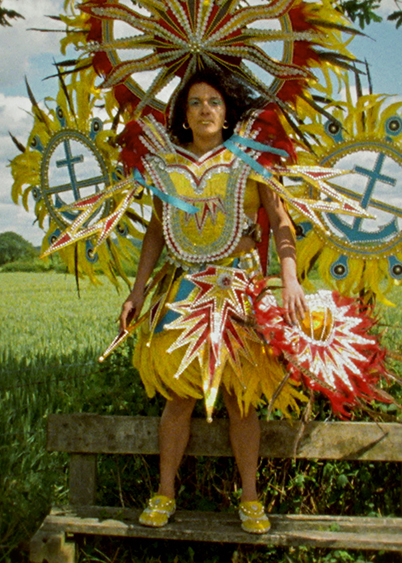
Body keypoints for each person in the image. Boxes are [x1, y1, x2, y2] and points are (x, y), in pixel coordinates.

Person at [116, 67, 310, 535]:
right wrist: (137, 289)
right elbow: (155, 232)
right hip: (183, 293)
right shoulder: (168, 166)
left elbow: (279, 219)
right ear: (183, 113)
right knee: (178, 399)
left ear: (227, 114)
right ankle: (164, 492)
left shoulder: (251, 160)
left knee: (242, 401)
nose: (206, 110)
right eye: (196, 102)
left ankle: (250, 497)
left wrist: (289, 278)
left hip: (240, 290)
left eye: (215, 102)